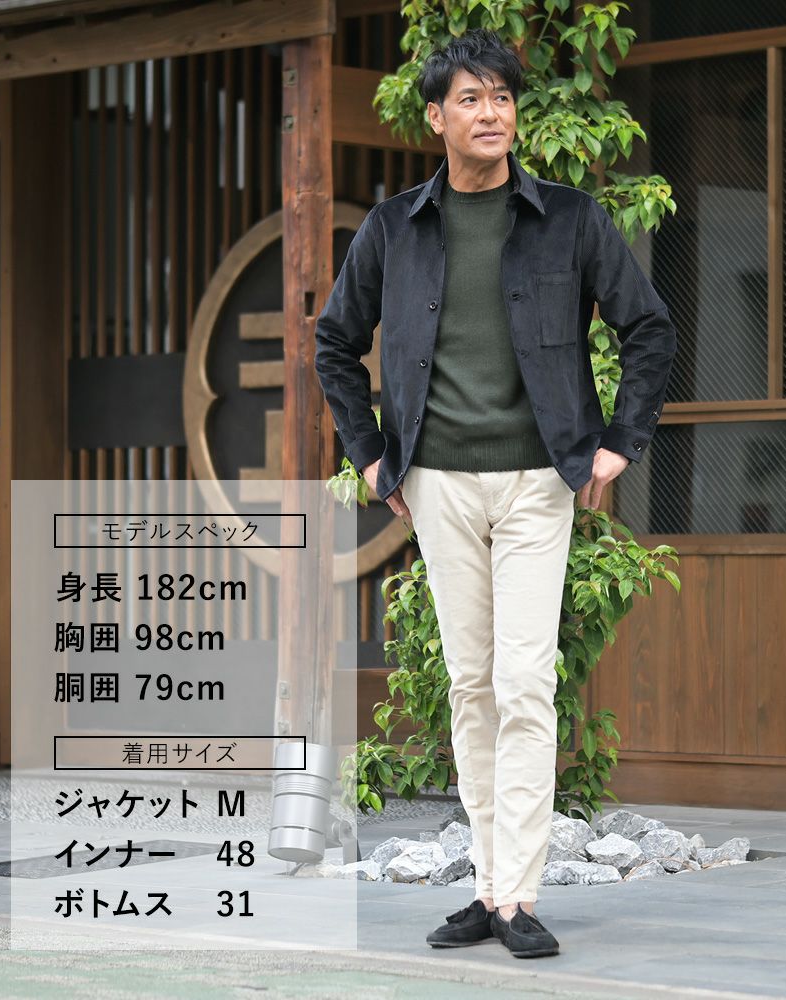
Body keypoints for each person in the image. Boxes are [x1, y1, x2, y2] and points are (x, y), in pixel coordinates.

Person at [315, 28, 676, 959]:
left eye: (504, 98)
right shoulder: (393, 228)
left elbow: (647, 328)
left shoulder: (571, 218)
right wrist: (369, 455)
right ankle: (487, 884)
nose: (492, 113)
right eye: (471, 99)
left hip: (536, 481)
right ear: (436, 118)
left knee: (524, 683)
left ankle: (516, 896)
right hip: (435, 482)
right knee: (471, 685)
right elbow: (334, 342)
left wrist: (619, 446)